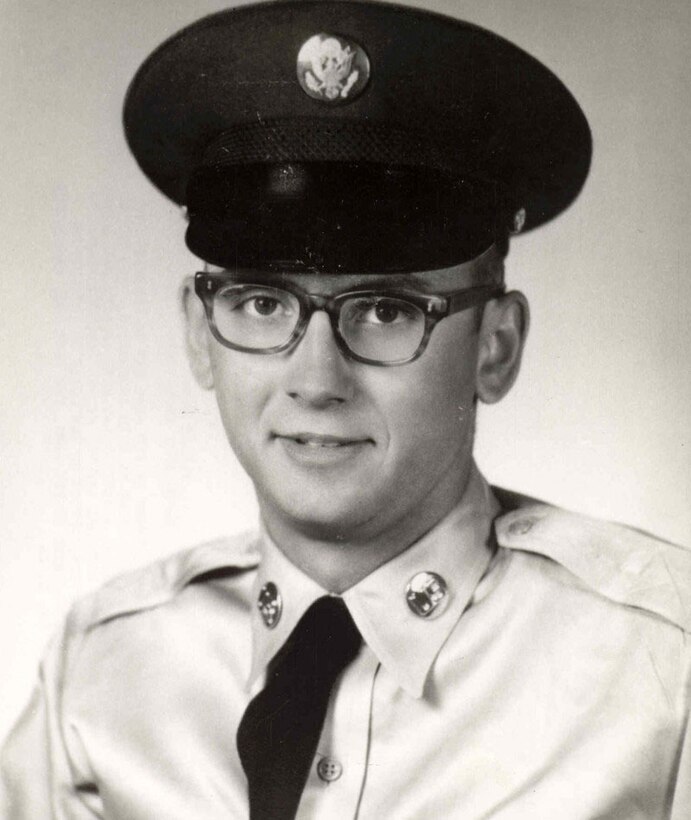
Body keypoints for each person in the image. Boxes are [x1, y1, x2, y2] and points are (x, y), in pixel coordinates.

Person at [1, 1, 689, 817]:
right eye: (262, 304)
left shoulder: (659, 674)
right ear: (198, 333)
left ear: (494, 348)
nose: (316, 378)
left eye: (387, 310)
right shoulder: (104, 676)